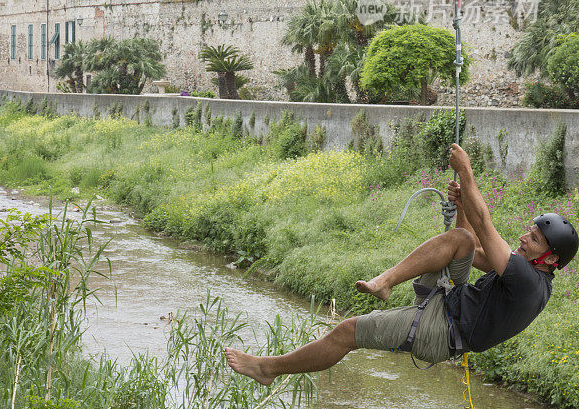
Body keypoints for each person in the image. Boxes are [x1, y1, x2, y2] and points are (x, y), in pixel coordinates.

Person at [225, 142, 578, 385]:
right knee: (463, 240)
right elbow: (472, 248)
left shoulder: (528, 282)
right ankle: (387, 281)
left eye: (533, 238)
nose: (523, 238)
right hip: (447, 304)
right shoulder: (527, 272)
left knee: (347, 332)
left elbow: (486, 225)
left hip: (441, 330)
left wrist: (468, 173)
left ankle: (266, 368)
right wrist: (461, 205)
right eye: (529, 231)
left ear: (549, 258)